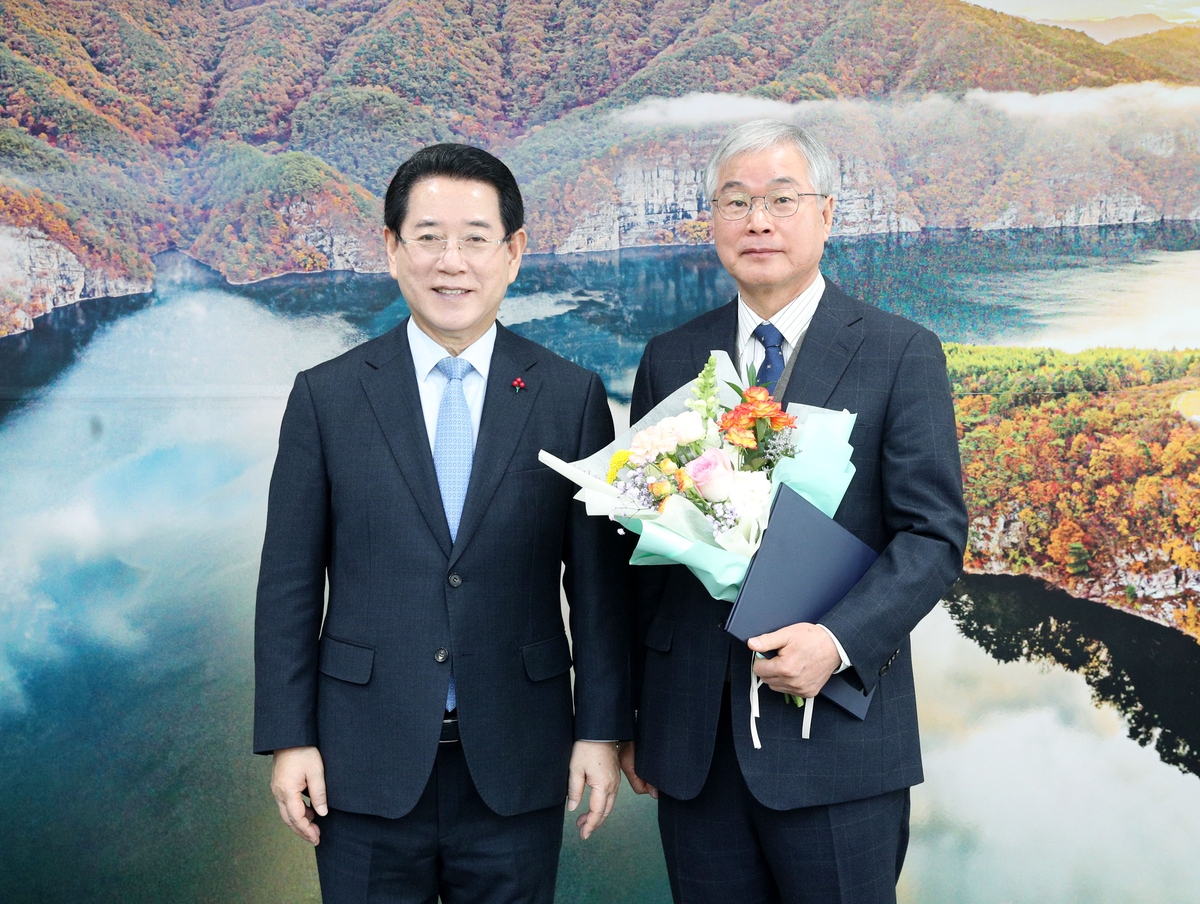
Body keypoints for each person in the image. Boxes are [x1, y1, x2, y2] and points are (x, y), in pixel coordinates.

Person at [254, 143, 632, 904]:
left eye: (474, 238)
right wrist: (289, 737)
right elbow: (289, 583)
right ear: (392, 249)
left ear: (514, 252)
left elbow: (597, 589)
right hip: (360, 761)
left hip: (519, 757)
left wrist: (599, 729)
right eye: (427, 237)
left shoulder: (571, 395)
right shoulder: (326, 397)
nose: (450, 261)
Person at [619, 120, 968, 903]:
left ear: (828, 213)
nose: (759, 222)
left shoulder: (899, 351)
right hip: (693, 746)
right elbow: (643, 548)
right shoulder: (671, 357)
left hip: (839, 743)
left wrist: (837, 641)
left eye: (782, 199)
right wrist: (633, 713)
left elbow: (933, 536)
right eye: (736, 202)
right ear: (711, 221)